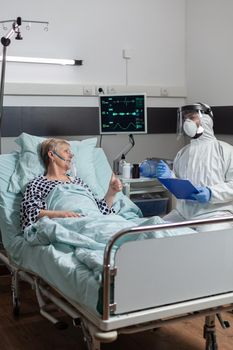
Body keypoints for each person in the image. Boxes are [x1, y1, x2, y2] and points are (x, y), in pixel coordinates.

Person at [155, 102, 233, 227]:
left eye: (191, 118)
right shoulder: (183, 153)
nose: (187, 122)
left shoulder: (226, 151)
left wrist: (211, 192)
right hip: (184, 214)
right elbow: (180, 185)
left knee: (204, 241)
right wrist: (168, 177)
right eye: (185, 119)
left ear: (206, 119)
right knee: (155, 228)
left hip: (215, 214)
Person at [20, 138, 123, 230]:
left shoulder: (78, 181)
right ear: (52, 155)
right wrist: (61, 215)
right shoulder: (38, 183)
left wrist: (111, 192)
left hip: (95, 219)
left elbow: (100, 211)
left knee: (122, 228)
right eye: (66, 151)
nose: (72, 155)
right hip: (70, 223)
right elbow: (29, 213)